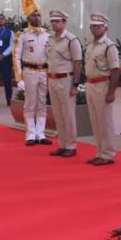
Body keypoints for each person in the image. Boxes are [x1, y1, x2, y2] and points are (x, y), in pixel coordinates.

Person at [45, 10, 83, 158]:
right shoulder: (51, 39)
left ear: (64, 22)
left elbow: (78, 63)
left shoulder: (71, 40)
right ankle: (62, 144)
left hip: (66, 79)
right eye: (52, 21)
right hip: (53, 79)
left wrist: (75, 85)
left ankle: (71, 145)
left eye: (57, 21)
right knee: (57, 114)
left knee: (68, 114)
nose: (54, 24)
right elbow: (50, 61)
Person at [84, 12, 120, 166]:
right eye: (92, 26)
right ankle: (99, 152)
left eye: (98, 26)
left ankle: (108, 153)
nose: (95, 29)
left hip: (102, 85)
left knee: (105, 121)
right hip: (90, 84)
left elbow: (115, 70)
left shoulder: (109, 46)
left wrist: (111, 92)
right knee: (95, 121)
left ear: (105, 28)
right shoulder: (90, 46)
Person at [14, 9, 52, 146]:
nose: (36, 18)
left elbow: (51, 56)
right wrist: (19, 78)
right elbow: (16, 57)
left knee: (42, 103)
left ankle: (41, 133)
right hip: (29, 71)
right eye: (33, 15)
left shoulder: (47, 34)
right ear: (28, 17)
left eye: (38, 15)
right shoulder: (22, 35)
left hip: (44, 71)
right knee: (30, 104)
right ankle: (30, 134)